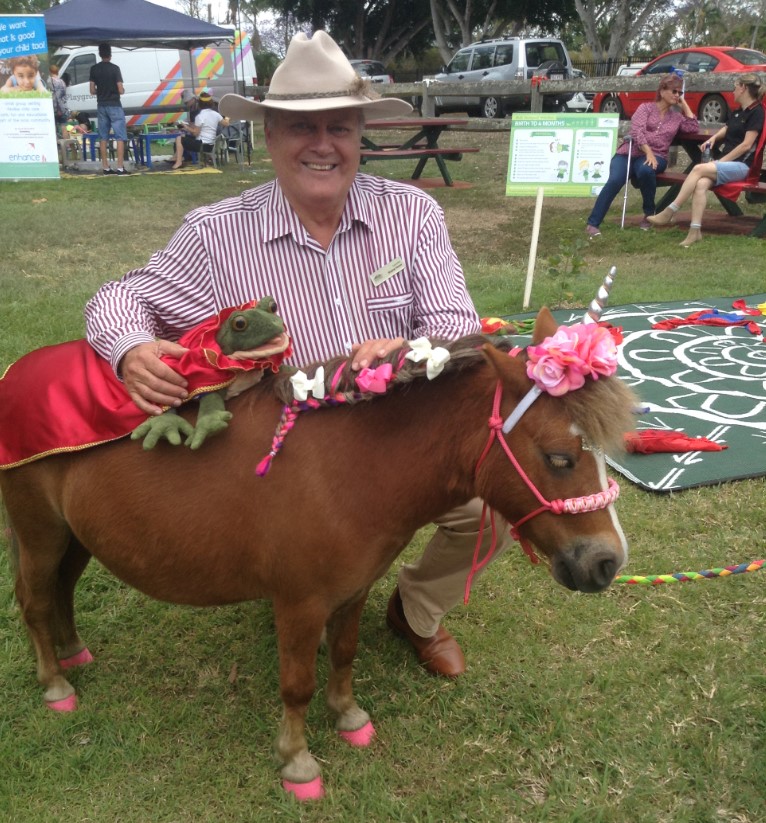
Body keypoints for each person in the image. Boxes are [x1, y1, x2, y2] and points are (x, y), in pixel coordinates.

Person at [84, 30, 513, 679]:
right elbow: (120, 297)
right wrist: (131, 348)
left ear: (361, 134)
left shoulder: (413, 215)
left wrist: (410, 349)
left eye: (338, 127)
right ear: (270, 138)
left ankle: (416, 610)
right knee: (304, 558)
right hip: (292, 471)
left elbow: (457, 326)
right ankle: (301, 571)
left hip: (404, 438)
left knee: (493, 506)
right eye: (299, 128)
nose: (321, 144)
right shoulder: (216, 235)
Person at [648, 73, 765, 246]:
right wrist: (712, 139)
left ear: (744, 88)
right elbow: (727, 127)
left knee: (698, 168)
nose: (732, 91)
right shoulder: (739, 111)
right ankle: (695, 231)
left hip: (742, 167)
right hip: (729, 165)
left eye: (735, 87)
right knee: (701, 183)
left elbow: (746, 146)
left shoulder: (757, 112)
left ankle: (670, 211)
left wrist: (720, 162)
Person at [586, 73, 698, 237]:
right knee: (615, 179)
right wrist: (648, 152)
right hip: (629, 152)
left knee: (645, 170)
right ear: (661, 91)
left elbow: (693, 127)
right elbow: (637, 131)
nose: (677, 95)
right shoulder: (645, 108)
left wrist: (685, 105)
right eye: (674, 91)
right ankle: (593, 223)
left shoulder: (676, 118)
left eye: (679, 93)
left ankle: (649, 214)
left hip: (658, 156)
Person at [89, 43, 130, 176]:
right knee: (120, 137)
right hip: (115, 105)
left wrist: (100, 91)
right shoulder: (115, 69)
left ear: (100, 54)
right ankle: (119, 167)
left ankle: (105, 167)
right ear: (110, 54)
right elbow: (120, 89)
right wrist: (122, 90)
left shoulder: (94, 69)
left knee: (103, 137)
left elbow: (91, 90)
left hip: (101, 105)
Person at [170, 91, 227, 169]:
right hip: (211, 144)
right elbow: (226, 123)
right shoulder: (216, 114)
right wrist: (227, 117)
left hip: (202, 145)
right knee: (183, 136)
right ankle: (178, 158)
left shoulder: (200, 116)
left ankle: (179, 161)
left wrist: (186, 127)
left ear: (199, 103)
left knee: (179, 138)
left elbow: (195, 133)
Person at [49, 64, 70, 128]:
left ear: (50, 72)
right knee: (64, 127)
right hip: (63, 108)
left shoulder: (49, 81)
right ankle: (65, 138)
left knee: (53, 128)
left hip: (53, 108)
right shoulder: (62, 82)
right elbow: (64, 95)